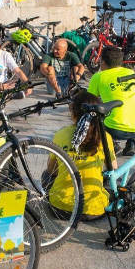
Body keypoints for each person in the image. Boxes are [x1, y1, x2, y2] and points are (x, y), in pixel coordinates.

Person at [49, 90, 116, 220]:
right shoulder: (105, 137)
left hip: (61, 208)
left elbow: (52, 170)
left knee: (46, 176)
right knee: (108, 181)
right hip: (94, 210)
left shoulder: (60, 135)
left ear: (73, 112)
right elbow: (113, 167)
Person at [87, 47, 135, 156]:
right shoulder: (130, 72)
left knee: (94, 115)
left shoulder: (99, 76)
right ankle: (131, 144)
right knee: (130, 105)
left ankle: (113, 145)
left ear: (103, 62)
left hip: (116, 129)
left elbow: (89, 99)